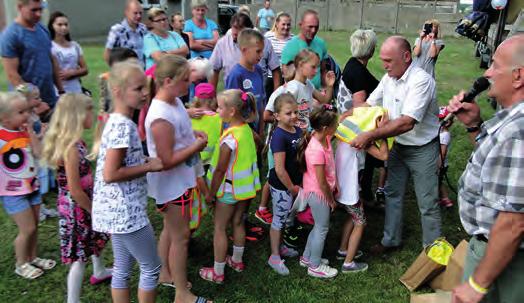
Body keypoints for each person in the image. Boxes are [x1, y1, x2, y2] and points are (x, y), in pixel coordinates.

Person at [447, 34, 524, 303]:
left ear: (518, 77)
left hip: (500, 256)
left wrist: (477, 286)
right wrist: (473, 126)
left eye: (495, 65)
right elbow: (499, 170)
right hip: (499, 252)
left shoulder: (517, 132)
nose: (488, 72)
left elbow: (514, 221)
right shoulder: (513, 122)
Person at [351, 36, 441, 251]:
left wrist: (370, 135)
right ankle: (390, 240)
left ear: (407, 57)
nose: (384, 65)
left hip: (423, 148)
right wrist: (345, 116)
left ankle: (434, 251)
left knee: (427, 202)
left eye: (389, 61)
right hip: (398, 147)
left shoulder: (421, 80)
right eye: (383, 60)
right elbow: (369, 105)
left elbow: (406, 123)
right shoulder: (389, 78)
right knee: (393, 193)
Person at [91, 60, 163, 303]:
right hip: (126, 212)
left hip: (114, 211)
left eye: (145, 87)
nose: (145, 93)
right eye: (138, 89)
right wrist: (148, 165)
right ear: (118, 92)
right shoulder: (124, 126)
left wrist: (140, 157)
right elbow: (111, 173)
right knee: (151, 267)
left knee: (122, 267)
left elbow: (120, 160)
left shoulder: (117, 121)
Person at [145, 55, 210, 303]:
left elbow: (179, 128)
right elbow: (167, 159)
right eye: (185, 81)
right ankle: (182, 293)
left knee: (171, 232)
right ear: (168, 81)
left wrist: (192, 131)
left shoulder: (174, 101)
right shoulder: (160, 115)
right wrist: (197, 146)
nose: (188, 86)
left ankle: (165, 273)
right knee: (181, 238)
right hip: (172, 185)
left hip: (180, 181)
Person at [41, 94, 111, 303]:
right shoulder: (70, 149)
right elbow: (74, 189)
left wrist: (101, 127)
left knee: (94, 238)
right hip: (77, 207)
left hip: (83, 202)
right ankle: (73, 300)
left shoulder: (76, 141)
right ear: (78, 116)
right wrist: (93, 209)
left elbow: (91, 159)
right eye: (89, 111)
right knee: (79, 257)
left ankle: (99, 271)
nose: (92, 115)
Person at [199, 89, 261, 284]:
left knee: (219, 228)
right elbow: (259, 145)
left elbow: (219, 171)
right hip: (244, 190)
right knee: (238, 223)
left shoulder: (229, 140)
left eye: (220, 107)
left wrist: (210, 194)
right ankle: (236, 261)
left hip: (226, 191)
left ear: (232, 111)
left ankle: (218, 272)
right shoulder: (246, 130)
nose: (217, 109)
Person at [0, 92, 56, 280]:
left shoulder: (25, 132)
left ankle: (32, 257)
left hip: (32, 186)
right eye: (21, 112)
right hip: (12, 193)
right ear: (4, 118)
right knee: (27, 229)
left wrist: (32, 132)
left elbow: (39, 153)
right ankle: (21, 264)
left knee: (35, 226)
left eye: (27, 110)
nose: (27, 115)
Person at [335, 109, 389, 273]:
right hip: (349, 189)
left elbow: (345, 114)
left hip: (342, 186)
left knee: (353, 217)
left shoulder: (346, 129)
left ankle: (343, 250)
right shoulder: (361, 139)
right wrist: (382, 132)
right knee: (360, 222)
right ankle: (348, 263)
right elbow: (383, 155)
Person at [337, 29, 386, 209]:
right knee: (359, 166)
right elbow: (359, 107)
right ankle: (357, 201)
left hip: (348, 126)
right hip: (355, 129)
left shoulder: (353, 64)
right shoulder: (357, 72)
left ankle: (361, 196)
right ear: (371, 49)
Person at [296, 105, 339, 278]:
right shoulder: (316, 150)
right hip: (319, 193)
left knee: (318, 226)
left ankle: (307, 257)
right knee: (322, 228)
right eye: (334, 123)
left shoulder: (323, 138)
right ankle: (314, 266)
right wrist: (331, 200)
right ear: (324, 128)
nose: (337, 126)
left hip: (318, 191)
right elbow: (321, 182)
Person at [1, 0, 63, 110]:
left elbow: (51, 60)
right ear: (20, 7)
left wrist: (61, 90)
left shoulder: (42, 29)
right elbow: (13, 76)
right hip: (26, 105)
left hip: (49, 98)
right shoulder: (11, 35)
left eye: (40, 9)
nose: (39, 14)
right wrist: (35, 103)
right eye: (34, 10)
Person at [266, 93, 302, 275]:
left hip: (294, 183)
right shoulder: (279, 136)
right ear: (277, 116)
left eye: (296, 112)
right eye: (289, 113)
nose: (294, 116)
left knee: (288, 217)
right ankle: (274, 256)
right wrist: (292, 188)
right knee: (279, 220)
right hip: (283, 186)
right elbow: (279, 169)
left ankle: (281, 247)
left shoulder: (296, 130)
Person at [209, 13, 281, 93]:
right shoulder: (223, 44)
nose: (235, 32)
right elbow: (214, 70)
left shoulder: (264, 43)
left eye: (240, 29)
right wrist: (212, 96)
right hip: (233, 97)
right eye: (234, 27)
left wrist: (275, 97)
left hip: (258, 94)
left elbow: (276, 70)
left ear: (249, 31)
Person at [265, 49, 335, 130]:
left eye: (317, 67)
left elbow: (324, 101)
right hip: (290, 137)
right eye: (313, 67)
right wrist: (292, 126)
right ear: (301, 65)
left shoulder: (308, 84)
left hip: (302, 135)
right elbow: (266, 116)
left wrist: (330, 85)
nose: (316, 71)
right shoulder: (292, 88)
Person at [225, 29, 266, 135]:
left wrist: (261, 131)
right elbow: (232, 112)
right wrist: (253, 135)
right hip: (241, 133)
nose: (261, 55)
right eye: (258, 51)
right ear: (244, 50)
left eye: (262, 51)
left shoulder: (258, 70)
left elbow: (261, 102)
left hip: (257, 131)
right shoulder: (236, 75)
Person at [280, 9, 328, 90]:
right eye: (310, 27)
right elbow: (286, 76)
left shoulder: (321, 44)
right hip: (298, 96)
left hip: (318, 95)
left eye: (316, 27)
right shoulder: (290, 46)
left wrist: (325, 89)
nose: (313, 30)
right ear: (300, 25)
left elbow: (323, 70)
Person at [48, 11, 89, 94]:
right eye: (59, 25)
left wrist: (73, 73)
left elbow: (85, 69)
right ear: (52, 26)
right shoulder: (49, 46)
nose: (63, 27)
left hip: (76, 90)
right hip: (57, 91)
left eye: (66, 24)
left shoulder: (75, 46)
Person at [103, 0, 147, 66]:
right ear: (126, 12)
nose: (139, 16)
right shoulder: (117, 30)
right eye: (135, 13)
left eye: (140, 13)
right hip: (125, 71)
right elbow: (107, 53)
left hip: (143, 71)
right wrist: (116, 70)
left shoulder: (144, 29)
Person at [190, 83, 221, 168]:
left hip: (194, 158)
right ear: (214, 99)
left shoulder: (190, 116)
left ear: (195, 99)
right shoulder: (219, 118)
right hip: (213, 160)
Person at [437, 106, 453, 208]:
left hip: (440, 164)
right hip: (440, 164)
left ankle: (435, 201)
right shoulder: (441, 133)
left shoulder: (444, 135)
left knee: (435, 183)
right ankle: (446, 200)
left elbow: (442, 153)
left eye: (439, 120)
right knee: (439, 182)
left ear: (447, 122)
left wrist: (438, 166)